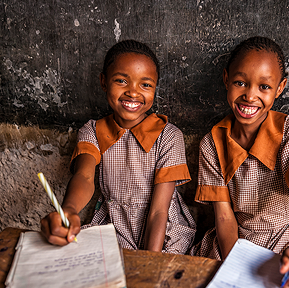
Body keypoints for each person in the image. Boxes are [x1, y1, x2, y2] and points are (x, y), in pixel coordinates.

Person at [190, 36, 289, 287]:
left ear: (280, 87)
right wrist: (236, 267)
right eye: (240, 83)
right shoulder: (213, 143)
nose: (250, 96)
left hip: (284, 243)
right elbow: (224, 217)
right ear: (226, 79)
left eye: (264, 87)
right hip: (232, 243)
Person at [41, 39, 196, 254]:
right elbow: (84, 176)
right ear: (104, 82)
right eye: (122, 81)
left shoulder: (168, 136)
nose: (133, 92)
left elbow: (159, 211)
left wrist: (151, 260)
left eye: (146, 84)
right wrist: (69, 210)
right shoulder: (92, 131)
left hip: (163, 230)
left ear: (155, 88)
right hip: (115, 226)